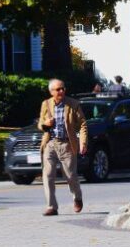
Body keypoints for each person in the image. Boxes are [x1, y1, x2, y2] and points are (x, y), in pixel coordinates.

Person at [38, 79, 87, 216]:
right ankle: (51, 206)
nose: (61, 91)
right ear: (51, 92)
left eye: (63, 88)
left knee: (71, 176)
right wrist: (45, 124)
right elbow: (40, 124)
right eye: (58, 89)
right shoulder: (46, 104)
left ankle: (77, 197)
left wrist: (83, 142)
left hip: (67, 144)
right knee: (48, 175)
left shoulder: (73, 104)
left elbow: (82, 124)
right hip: (50, 143)